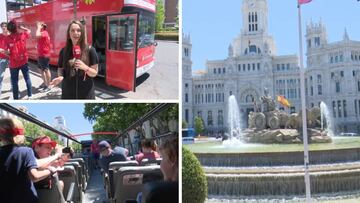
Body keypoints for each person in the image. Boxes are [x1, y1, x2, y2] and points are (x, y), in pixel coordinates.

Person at [0, 117, 58, 203]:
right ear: (21, 135)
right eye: (47, 147)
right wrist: (51, 171)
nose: (50, 150)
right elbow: (34, 176)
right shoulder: (26, 151)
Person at [50, 20, 99, 99]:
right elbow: (60, 69)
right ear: (69, 34)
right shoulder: (63, 51)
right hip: (68, 93)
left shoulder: (90, 50)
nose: (75, 33)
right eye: (72, 30)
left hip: (86, 94)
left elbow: (94, 73)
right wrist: (60, 77)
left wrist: (85, 67)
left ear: (82, 33)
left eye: (78, 30)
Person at [4, 20, 33, 99]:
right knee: (27, 78)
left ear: (9, 29)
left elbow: (6, 52)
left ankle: (16, 97)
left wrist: (9, 53)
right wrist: (22, 27)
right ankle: (30, 95)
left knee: (14, 82)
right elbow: (29, 31)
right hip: (24, 61)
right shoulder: (22, 35)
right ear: (16, 28)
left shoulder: (7, 38)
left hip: (13, 64)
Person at [36, 22, 52, 92]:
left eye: (38, 25)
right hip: (41, 55)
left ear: (42, 26)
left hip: (44, 55)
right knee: (40, 69)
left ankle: (48, 86)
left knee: (46, 70)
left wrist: (38, 27)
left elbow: (37, 35)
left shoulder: (44, 33)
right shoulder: (45, 33)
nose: (37, 26)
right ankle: (45, 82)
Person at [0, 22, 9, 98]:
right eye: (2, 26)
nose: (3, 27)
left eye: (5, 26)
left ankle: (14, 89)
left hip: (12, 58)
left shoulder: (10, 36)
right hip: (2, 58)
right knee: (1, 75)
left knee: (13, 75)